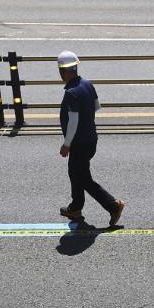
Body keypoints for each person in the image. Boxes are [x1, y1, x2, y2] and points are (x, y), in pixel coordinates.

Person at [57, 50, 125, 230]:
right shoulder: (87, 84)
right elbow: (96, 107)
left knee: (84, 178)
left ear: (63, 71)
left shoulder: (71, 92)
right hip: (91, 139)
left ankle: (113, 206)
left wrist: (67, 144)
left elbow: (73, 121)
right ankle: (75, 208)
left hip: (79, 143)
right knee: (75, 173)